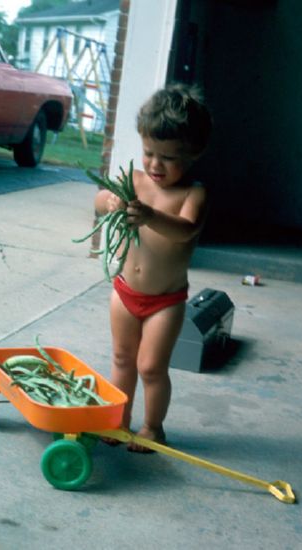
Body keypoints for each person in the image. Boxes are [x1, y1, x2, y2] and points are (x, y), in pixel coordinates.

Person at [94, 83, 213, 452]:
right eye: (149, 153)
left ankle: (152, 428)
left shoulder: (193, 194)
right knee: (121, 359)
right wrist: (110, 200)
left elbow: (186, 229)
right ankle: (120, 421)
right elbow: (99, 201)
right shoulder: (134, 181)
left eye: (168, 157)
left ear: (192, 154)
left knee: (150, 368)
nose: (156, 164)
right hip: (125, 292)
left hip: (165, 301)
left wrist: (149, 215)